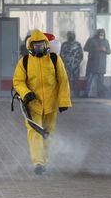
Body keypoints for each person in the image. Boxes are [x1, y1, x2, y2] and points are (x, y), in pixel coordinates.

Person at [13, 29, 71, 175]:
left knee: (48, 134)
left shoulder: (54, 59)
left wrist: (64, 101)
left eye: (41, 45)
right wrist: (26, 94)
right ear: (30, 47)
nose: (38, 48)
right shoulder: (24, 62)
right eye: (35, 46)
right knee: (35, 133)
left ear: (46, 45)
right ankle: (38, 163)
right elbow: (18, 81)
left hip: (51, 105)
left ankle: (44, 160)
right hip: (33, 105)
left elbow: (63, 81)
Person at [83, 28, 111, 98]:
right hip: (92, 63)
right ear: (97, 33)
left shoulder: (106, 41)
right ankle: (86, 94)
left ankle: (100, 94)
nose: (101, 35)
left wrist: (105, 50)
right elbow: (85, 48)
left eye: (103, 33)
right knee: (89, 80)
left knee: (100, 81)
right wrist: (96, 49)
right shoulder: (91, 40)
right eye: (100, 33)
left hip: (101, 64)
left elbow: (109, 51)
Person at [59, 31, 83, 96]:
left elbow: (81, 55)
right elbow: (61, 54)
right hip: (67, 66)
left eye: (72, 35)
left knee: (76, 80)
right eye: (70, 35)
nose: (71, 36)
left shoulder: (78, 44)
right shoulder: (64, 44)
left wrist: (77, 63)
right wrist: (65, 62)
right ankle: (66, 94)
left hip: (75, 66)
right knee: (66, 80)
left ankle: (76, 93)